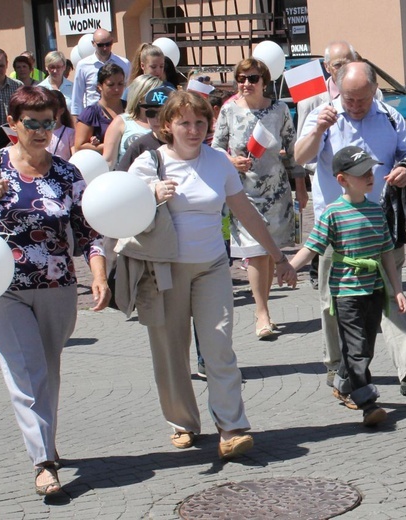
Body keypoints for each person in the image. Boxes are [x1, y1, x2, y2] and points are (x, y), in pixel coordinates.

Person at [0, 86, 110, 496]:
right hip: (2, 286)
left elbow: (87, 230)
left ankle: (45, 439)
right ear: (13, 125)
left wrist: (99, 274)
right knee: (26, 370)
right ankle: (43, 463)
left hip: (57, 286)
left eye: (48, 122)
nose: (40, 131)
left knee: (47, 368)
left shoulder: (66, 172)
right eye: (31, 123)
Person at [126, 90, 297, 459]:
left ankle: (231, 426)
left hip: (211, 268)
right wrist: (152, 193)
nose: (193, 129)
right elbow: (122, 209)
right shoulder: (149, 163)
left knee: (218, 346)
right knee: (171, 352)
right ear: (168, 125)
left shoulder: (218, 161)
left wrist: (277, 255)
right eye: (184, 122)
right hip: (164, 271)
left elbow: (245, 212)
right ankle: (182, 422)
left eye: (200, 122)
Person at [295, 61, 406, 397]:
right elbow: (299, 157)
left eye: (362, 99)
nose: (355, 105)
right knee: (334, 304)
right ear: (338, 90)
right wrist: (318, 131)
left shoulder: (391, 117)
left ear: (374, 90)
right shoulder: (324, 115)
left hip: (381, 224)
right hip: (336, 228)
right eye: (349, 99)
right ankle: (339, 369)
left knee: (393, 297)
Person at [290, 146, 406, 426]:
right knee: (355, 348)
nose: (370, 176)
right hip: (346, 293)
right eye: (361, 173)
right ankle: (367, 403)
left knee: (365, 347)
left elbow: (386, 252)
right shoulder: (332, 213)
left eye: (370, 171)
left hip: (374, 290)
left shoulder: (377, 210)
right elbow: (312, 247)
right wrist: (288, 268)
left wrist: (397, 289)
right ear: (342, 180)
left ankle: (343, 383)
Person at [212, 57, 306, 339]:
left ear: (265, 81)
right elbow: (215, 148)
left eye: (252, 78)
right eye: (241, 78)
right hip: (242, 191)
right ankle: (261, 312)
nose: (246, 84)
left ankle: (263, 308)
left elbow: (292, 148)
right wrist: (231, 161)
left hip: (276, 190)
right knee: (254, 251)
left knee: (268, 251)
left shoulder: (279, 110)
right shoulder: (229, 110)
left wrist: (300, 186)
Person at [296, 41, 358, 291]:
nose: (343, 69)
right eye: (338, 64)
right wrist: (303, 179)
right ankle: (317, 270)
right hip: (324, 177)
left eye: (348, 62)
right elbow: (300, 148)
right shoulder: (312, 100)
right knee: (325, 229)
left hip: (359, 184)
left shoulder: (370, 92)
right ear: (327, 67)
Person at [102, 74, 162, 168]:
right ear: (139, 97)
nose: (156, 99)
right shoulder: (121, 122)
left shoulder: (168, 123)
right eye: (151, 95)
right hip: (126, 177)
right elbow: (109, 161)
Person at [70, 28, 130, 119]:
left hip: (118, 115)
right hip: (93, 116)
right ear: (93, 43)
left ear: (112, 42)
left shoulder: (124, 64)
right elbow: (77, 98)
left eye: (108, 44)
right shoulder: (83, 65)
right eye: (100, 45)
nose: (105, 48)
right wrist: (76, 122)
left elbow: (128, 91)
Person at [74, 63, 126, 154]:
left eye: (120, 84)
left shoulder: (130, 108)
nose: (117, 89)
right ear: (99, 86)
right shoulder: (90, 113)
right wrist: (114, 145)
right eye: (111, 85)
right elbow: (79, 146)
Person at [116, 86, 172, 170]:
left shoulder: (188, 143)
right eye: (151, 113)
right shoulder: (138, 146)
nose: (157, 119)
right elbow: (121, 178)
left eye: (163, 113)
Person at [46, 90, 75, 161]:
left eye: (53, 110)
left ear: (61, 111)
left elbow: (74, 156)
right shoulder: (40, 132)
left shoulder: (69, 132)